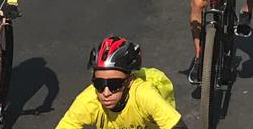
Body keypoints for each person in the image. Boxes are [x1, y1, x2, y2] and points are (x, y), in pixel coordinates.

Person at [56, 37, 185, 129]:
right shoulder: (89, 100)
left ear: (129, 81)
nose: (106, 93)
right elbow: (68, 124)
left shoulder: (144, 95)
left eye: (114, 85)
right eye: (99, 84)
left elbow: (175, 125)